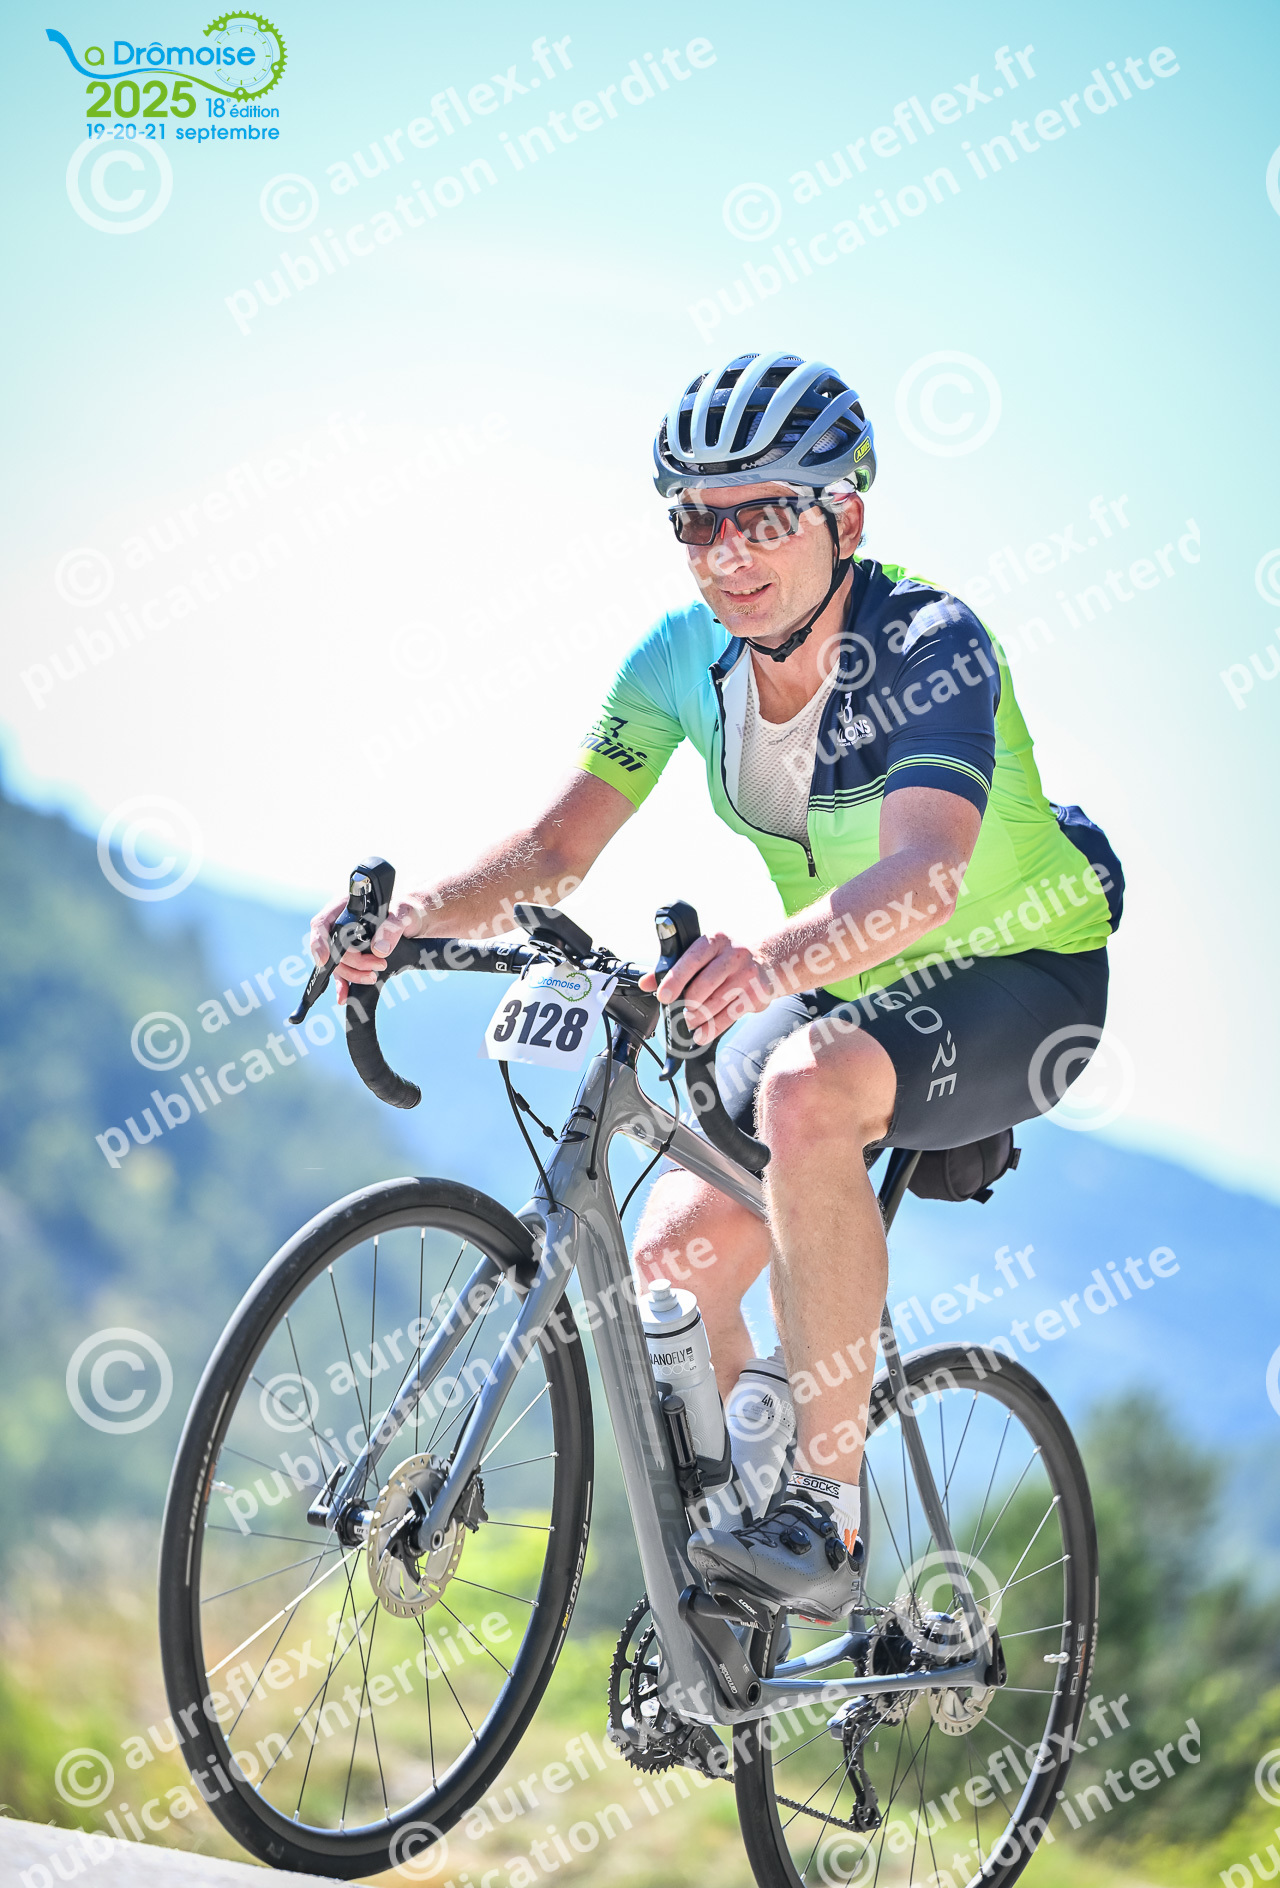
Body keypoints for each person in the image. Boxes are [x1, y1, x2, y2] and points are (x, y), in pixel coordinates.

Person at [310, 351, 1121, 1619]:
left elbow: (925, 878)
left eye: (762, 515)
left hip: (1015, 973)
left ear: (843, 517)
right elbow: (553, 853)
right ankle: (742, 1596)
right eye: (694, 519)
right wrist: (405, 924)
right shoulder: (680, 661)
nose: (723, 552)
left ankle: (821, 1513)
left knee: (802, 1089)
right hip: (842, 980)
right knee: (671, 1262)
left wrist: (763, 963)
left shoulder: (930, 645)